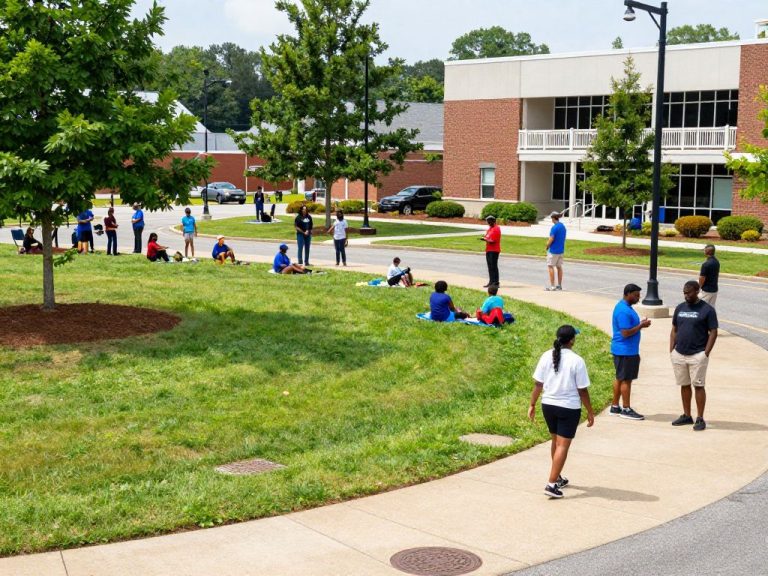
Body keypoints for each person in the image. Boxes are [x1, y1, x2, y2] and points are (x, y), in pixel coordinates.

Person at [528, 325, 594, 499]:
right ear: (572, 340)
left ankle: (556, 477)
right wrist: (590, 411)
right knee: (563, 445)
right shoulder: (577, 361)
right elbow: (583, 390)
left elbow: (538, 384)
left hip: (548, 405)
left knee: (556, 441)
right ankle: (551, 485)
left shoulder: (545, 356)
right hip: (568, 407)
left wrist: (532, 404)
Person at [670, 280, 718, 431]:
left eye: (688, 292)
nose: (686, 295)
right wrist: (671, 349)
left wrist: (706, 353)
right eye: (684, 292)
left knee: (698, 386)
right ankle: (686, 415)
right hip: (679, 354)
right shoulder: (680, 308)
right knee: (684, 385)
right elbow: (674, 329)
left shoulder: (707, 310)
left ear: (697, 291)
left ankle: (700, 418)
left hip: (698, 354)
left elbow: (713, 332)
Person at [609, 283, 652, 420]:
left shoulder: (625, 307)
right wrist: (641, 325)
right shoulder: (623, 310)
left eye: (639, 295)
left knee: (620, 378)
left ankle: (615, 406)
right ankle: (626, 409)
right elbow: (625, 333)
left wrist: (639, 325)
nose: (638, 298)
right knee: (626, 380)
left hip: (624, 350)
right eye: (636, 295)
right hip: (626, 351)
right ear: (627, 293)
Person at [545, 211, 567, 291]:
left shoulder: (554, 228)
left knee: (550, 266)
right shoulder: (563, 226)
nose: (551, 220)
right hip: (561, 250)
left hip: (553, 251)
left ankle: (552, 286)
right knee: (559, 267)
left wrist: (547, 246)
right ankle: (559, 285)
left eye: (551, 218)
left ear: (553, 218)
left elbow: (551, 238)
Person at [480, 215, 501, 287]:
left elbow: (493, 240)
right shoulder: (490, 228)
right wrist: (484, 237)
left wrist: (485, 239)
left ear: (493, 221)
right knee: (489, 266)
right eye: (487, 222)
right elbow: (488, 236)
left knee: (493, 266)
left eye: (489, 222)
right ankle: (491, 281)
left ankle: (496, 282)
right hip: (489, 249)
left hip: (494, 250)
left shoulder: (496, 229)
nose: (488, 223)